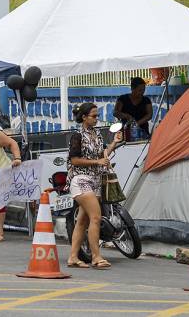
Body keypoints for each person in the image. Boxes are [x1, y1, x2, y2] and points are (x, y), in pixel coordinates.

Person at [67, 103, 123, 269]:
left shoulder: (97, 134)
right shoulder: (77, 135)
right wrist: (97, 161)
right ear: (84, 117)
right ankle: (96, 257)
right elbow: (74, 160)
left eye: (97, 115)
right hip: (80, 179)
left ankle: (73, 257)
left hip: (95, 180)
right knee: (96, 217)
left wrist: (114, 143)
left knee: (83, 221)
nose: (96, 118)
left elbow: (102, 155)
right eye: (93, 116)